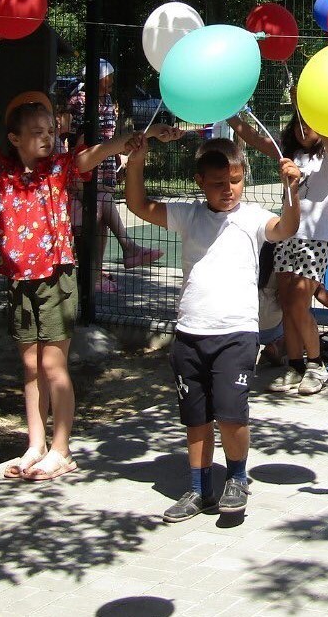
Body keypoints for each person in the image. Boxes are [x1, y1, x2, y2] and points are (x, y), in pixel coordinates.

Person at [0, 66, 134, 481]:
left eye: (50, 129)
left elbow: (97, 153)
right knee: (31, 368)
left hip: (56, 278)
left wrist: (126, 142)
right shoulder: (1, 172)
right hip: (20, 281)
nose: (47, 136)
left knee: (54, 367)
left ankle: (62, 450)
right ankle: (35, 445)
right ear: (15, 138)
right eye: (37, 131)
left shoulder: (60, 168)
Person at [125, 132, 302, 521]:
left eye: (235, 181)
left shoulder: (253, 217)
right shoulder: (188, 214)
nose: (229, 190)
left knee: (231, 413)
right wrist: (135, 163)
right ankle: (198, 487)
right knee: (196, 417)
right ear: (199, 181)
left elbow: (286, 229)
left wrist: (293, 191)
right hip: (190, 333)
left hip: (236, 333)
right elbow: (137, 204)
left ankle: (237, 478)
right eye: (219, 183)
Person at [228, 107, 328, 397]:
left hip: (316, 240)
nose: (304, 130)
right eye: (299, 124)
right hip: (286, 235)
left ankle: (316, 365)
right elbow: (255, 138)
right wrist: (228, 113)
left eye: (310, 125)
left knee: (298, 304)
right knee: (286, 302)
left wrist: (320, 113)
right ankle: (294, 365)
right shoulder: (288, 153)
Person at [68, 59, 162, 288]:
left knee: (101, 215)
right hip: (88, 165)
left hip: (107, 163)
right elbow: (76, 138)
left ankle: (96, 274)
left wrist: (118, 154)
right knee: (102, 203)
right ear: (96, 80)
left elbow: (109, 134)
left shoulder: (107, 99)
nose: (110, 85)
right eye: (106, 81)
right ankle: (124, 251)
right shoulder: (79, 101)